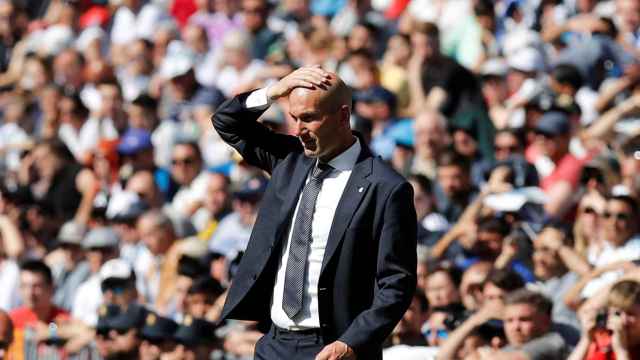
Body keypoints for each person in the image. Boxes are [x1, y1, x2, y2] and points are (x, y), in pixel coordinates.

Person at [212, 66, 417, 359]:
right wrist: (274, 90)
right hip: (274, 343)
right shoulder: (290, 158)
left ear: (343, 116)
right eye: (294, 118)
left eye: (309, 118)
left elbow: (396, 283)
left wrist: (353, 342)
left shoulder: (385, 187)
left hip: (333, 348)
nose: (298, 130)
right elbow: (226, 122)